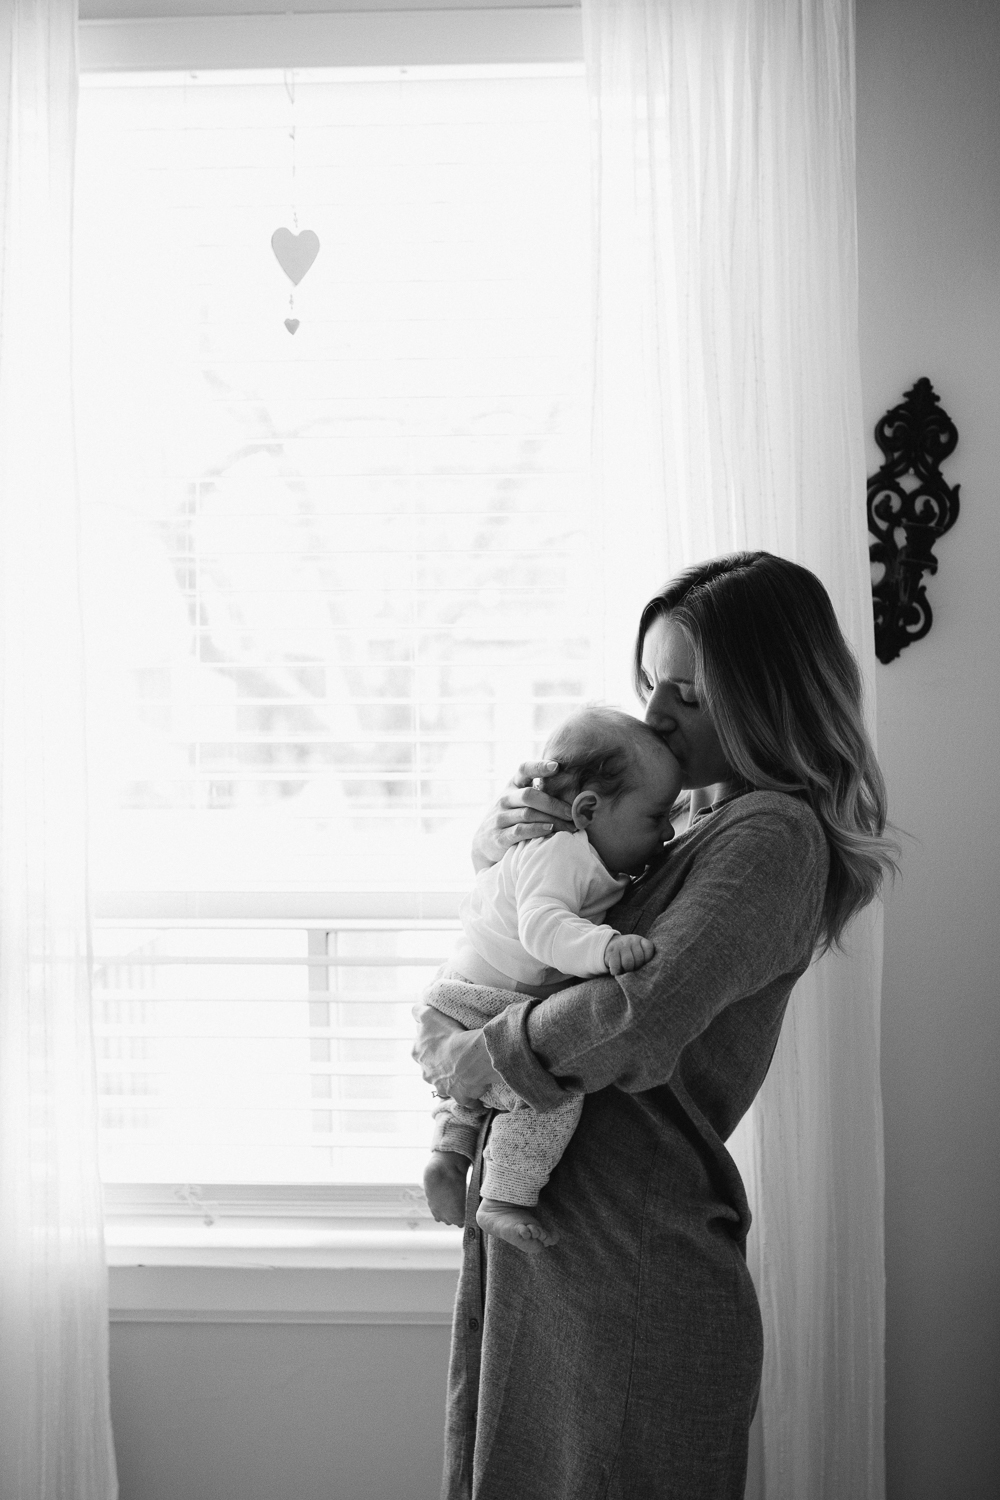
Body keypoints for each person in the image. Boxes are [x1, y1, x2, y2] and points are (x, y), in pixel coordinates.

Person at [412, 551, 897, 1500]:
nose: (655, 716)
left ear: (768, 698)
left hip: (630, 1259)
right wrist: (520, 833)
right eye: (649, 685)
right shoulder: (667, 831)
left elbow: (637, 1016)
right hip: (563, 1237)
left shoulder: (769, 837)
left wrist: (476, 1059)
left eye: (687, 693)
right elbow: (525, 934)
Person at [423, 706, 683, 1255]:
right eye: (656, 817)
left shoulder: (574, 852)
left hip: (473, 987)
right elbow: (542, 929)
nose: (668, 832)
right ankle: (504, 1198)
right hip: (485, 992)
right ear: (587, 809)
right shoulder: (565, 852)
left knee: (474, 1088)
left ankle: (448, 1156)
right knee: (546, 1093)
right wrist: (606, 947)